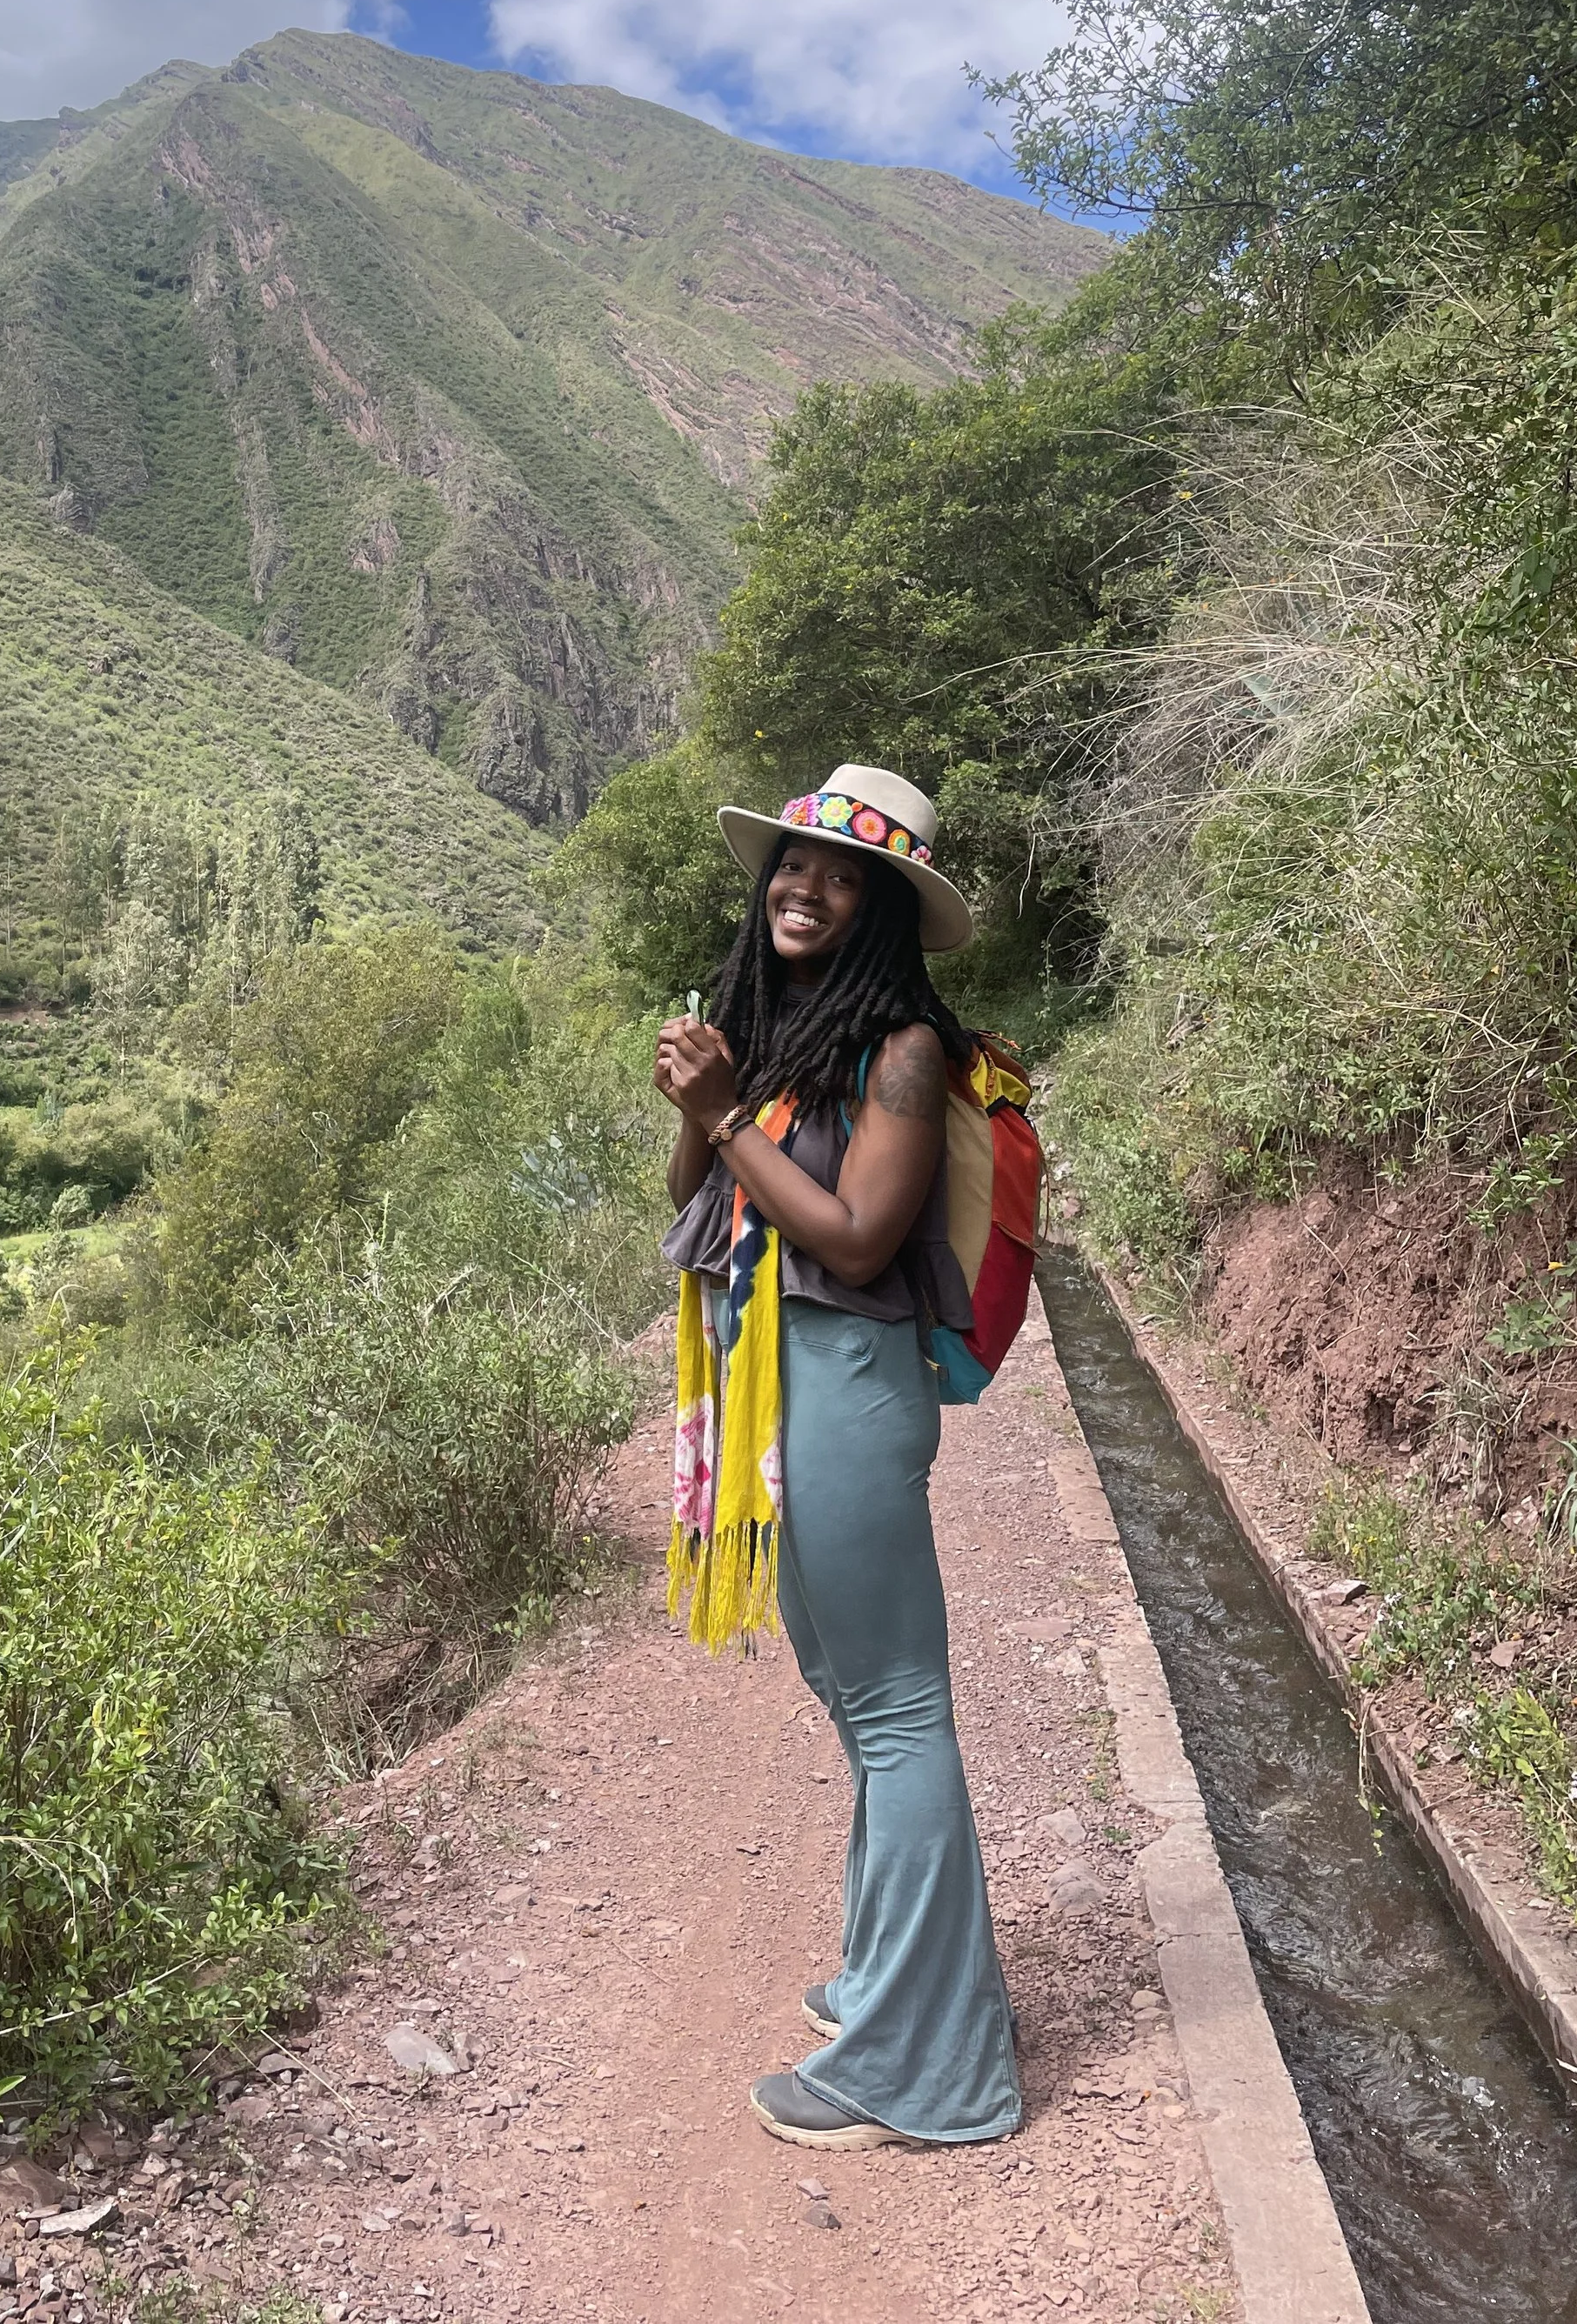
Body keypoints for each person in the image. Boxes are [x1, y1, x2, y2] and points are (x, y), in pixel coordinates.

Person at [654, 763, 1020, 2152]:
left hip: (848, 1386)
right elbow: (690, 1202)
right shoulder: (767, 1020)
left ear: (881, 908)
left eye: (840, 875)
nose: (803, 889)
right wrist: (705, 1101)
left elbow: (859, 1234)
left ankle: (926, 2072)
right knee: (850, 1696)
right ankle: (892, 1981)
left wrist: (735, 1113)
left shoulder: (904, 1051)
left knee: (898, 1711)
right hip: (771, 1386)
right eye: (791, 869)